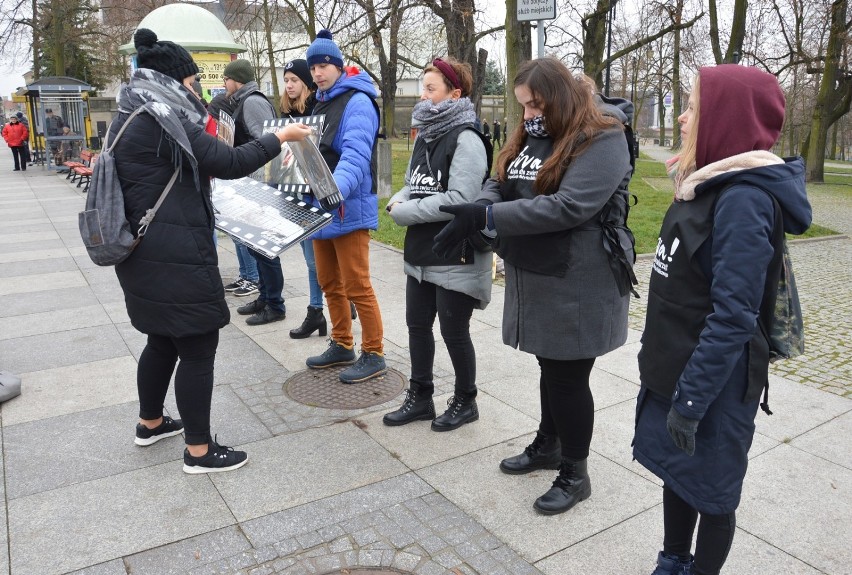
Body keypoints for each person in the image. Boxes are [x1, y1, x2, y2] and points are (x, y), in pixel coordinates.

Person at [433, 57, 635, 514]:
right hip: (539, 268)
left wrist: (486, 216)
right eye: (523, 106)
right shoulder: (539, 130)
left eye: (535, 104)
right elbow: (499, 179)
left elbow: (568, 207)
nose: (527, 115)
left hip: (580, 278)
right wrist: (482, 206)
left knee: (568, 376)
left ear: (560, 98)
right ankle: (548, 445)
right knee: (551, 367)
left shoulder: (604, 136)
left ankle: (575, 472)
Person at [633, 65, 811, 575]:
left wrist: (690, 402)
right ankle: (671, 561)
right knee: (678, 473)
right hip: (679, 369)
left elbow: (733, 316)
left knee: (712, 490)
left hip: (713, 382)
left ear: (725, 120)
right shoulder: (707, 184)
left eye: (694, 108)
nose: (684, 118)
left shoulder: (744, 200)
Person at [113, 29, 312, 473]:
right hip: (175, 251)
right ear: (173, 80)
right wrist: (282, 138)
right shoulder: (163, 115)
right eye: (192, 83)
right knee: (198, 345)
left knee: (162, 338)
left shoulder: (131, 108)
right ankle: (200, 452)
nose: (198, 91)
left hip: (143, 249)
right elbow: (227, 161)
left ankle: (150, 423)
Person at [383, 57, 492, 431]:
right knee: (417, 325)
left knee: (453, 331)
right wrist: (398, 198)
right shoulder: (426, 132)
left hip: (455, 252)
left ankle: (466, 401)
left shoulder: (467, 138)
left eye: (431, 89)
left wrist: (405, 212)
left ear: (454, 93)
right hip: (421, 252)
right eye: (422, 89)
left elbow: (460, 198)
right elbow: (416, 182)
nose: (423, 96)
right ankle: (421, 397)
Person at [303, 29, 387, 384]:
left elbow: (354, 155)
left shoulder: (357, 101)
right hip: (322, 207)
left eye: (324, 65)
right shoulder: (320, 101)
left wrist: (332, 191)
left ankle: (375, 351)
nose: (318, 72)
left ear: (338, 66)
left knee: (358, 285)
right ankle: (342, 342)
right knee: (328, 282)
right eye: (314, 67)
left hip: (346, 208)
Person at [224, 59, 286, 325]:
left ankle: (275, 304)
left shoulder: (252, 102)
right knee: (256, 245)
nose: (223, 83)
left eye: (226, 78)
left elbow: (269, 143)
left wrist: (259, 186)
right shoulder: (244, 100)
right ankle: (265, 295)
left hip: (259, 184)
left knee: (265, 247)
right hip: (251, 183)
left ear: (235, 79)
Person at [278, 58, 328, 339]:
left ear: (306, 84)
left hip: (314, 195)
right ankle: (321, 308)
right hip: (293, 193)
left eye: (294, 80)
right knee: (311, 258)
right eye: (286, 81)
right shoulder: (284, 114)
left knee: (314, 261)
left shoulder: (317, 112)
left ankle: (318, 309)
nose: (289, 85)